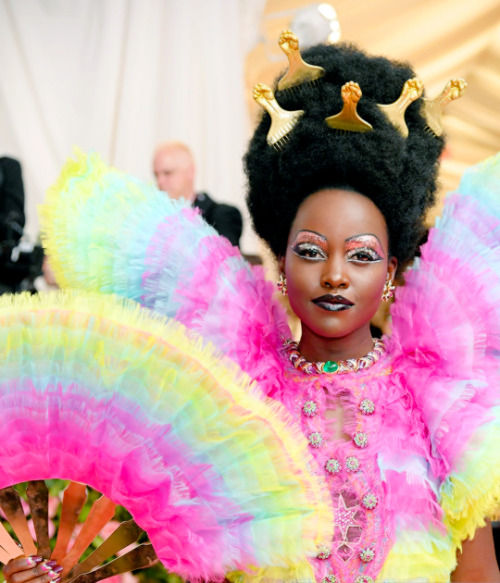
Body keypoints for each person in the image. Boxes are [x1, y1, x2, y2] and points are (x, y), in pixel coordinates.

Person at [7, 36, 500, 583]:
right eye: (311, 251)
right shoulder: (233, 401)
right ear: (282, 266)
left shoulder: (435, 408)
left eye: (360, 256)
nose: (334, 274)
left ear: (389, 275)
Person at [153, 141, 243, 247]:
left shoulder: (222, 215)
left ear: (190, 171)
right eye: (156, 175)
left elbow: (224, 259)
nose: (160, 181)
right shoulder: (155, 220)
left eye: (168, 173)